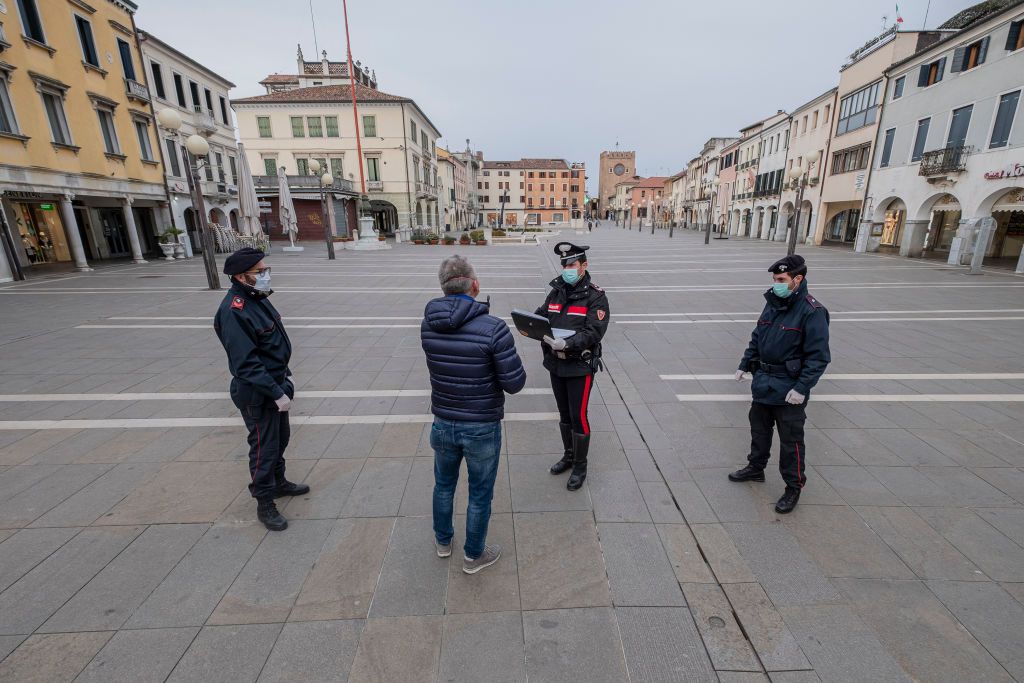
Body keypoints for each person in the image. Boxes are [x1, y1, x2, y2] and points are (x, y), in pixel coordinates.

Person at [422, 255, 526, 575]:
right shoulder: (494, 328)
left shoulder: (428, 323)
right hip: (480, 424)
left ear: (444, 287)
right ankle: (473, 555)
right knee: (480, 493)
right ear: (475, 285)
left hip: (443, 420)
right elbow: (515, 383)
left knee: (443, 485)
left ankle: (443, 543)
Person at [214, 248, 309, 531]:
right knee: (263, 448)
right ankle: (264, 502)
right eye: (260, 271)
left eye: (266, 269)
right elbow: (246, 364)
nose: (266, 274)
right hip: (258, 393)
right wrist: (275, 392)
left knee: (280, 439)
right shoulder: (234, 311)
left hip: (276, 382)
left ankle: (278, 482)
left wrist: (284, 380)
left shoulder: (257, 298)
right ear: (242, 277)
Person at [728, 254, 830, 514]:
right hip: (764, 382)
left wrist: (802, 388)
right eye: (774, 279)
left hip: (789, 388)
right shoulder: (773, 303)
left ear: (798, 279)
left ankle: (793, 486)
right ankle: (756, 468)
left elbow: (818, 357)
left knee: (791, 441)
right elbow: (757, 335)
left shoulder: (812, 311)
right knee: (759, 430)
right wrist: (744, 363)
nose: (777, 284)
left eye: (781, 279)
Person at [536, 242, 610, 490]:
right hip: (556, 364)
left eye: (571, 264)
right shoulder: (556, 291)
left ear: (584, 265)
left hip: (579, 365)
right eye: (564, 264)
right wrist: (531, 324)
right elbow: (541, 315)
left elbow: (593, 332)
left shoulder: (596, 296)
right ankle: (568, 456)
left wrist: (566, 344)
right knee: (564, 415)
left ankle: (580, 466)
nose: (566, 268)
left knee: (578, 416)